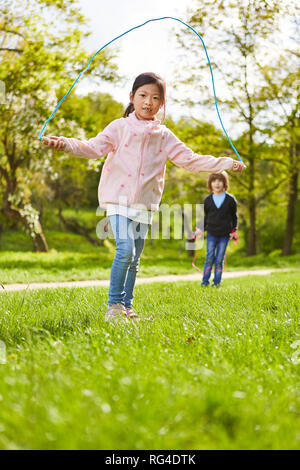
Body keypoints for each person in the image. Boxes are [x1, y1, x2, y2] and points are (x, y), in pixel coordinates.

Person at [42, 72, 246, 322]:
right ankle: (114, 307)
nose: (148, 102)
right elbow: (93, 148)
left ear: (162, 103)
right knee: (125, 250)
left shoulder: (164, 136)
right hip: (117, 202)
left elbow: (191, 160)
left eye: (155, 98)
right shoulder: (119, 127)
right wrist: (64, 143)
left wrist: (226, 163)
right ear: (132, 97)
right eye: (143, 95)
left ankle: (127, 307)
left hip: (146, 206)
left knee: (135, 258)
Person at [200, 171, 238, 287]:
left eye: (220, 181)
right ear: (210, 184)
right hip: (211, 233)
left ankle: (217, 283)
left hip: (224, 235)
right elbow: (206, 217)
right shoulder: (208, 200)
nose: (217, 184)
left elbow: (234, 217)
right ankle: (205, 282)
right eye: (214, 181)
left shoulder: (230, 200)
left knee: (219, 258)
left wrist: (233, 231)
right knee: (209, 257)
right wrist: (201, 229)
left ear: (224, 183)